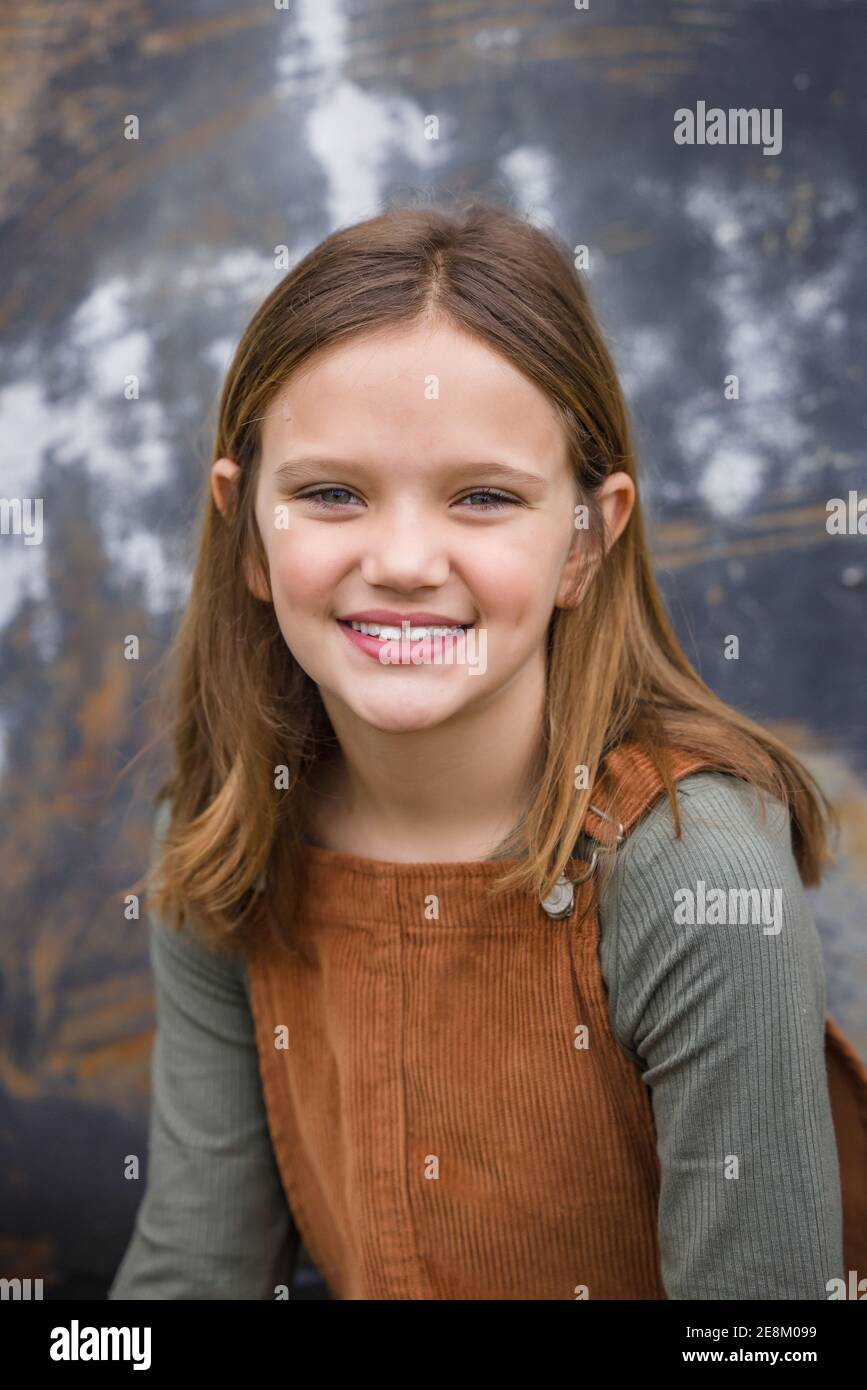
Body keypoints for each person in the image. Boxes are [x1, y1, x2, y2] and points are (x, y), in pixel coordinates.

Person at [108, 199, 867, 1301]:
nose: (407, 559)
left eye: (483, 498)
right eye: (331, 493)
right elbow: (193, 1271)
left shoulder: (697, 880)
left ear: (583, 541)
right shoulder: (224, 838)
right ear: (248, 535)